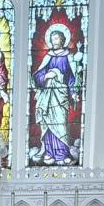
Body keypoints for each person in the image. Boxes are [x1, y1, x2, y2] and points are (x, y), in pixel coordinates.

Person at [31, 27, 82, 165]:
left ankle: (62, 153)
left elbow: (72, 78)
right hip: (47, 93)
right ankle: (49, 152)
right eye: (52, 39)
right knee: (48, 123)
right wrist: (47, 75)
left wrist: (74, 92)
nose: (54, 41)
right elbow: (38, 75)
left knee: (60, 123)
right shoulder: (48, 57)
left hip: (61, 94)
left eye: (57, 38)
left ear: (62, 40)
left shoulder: (68, 56)